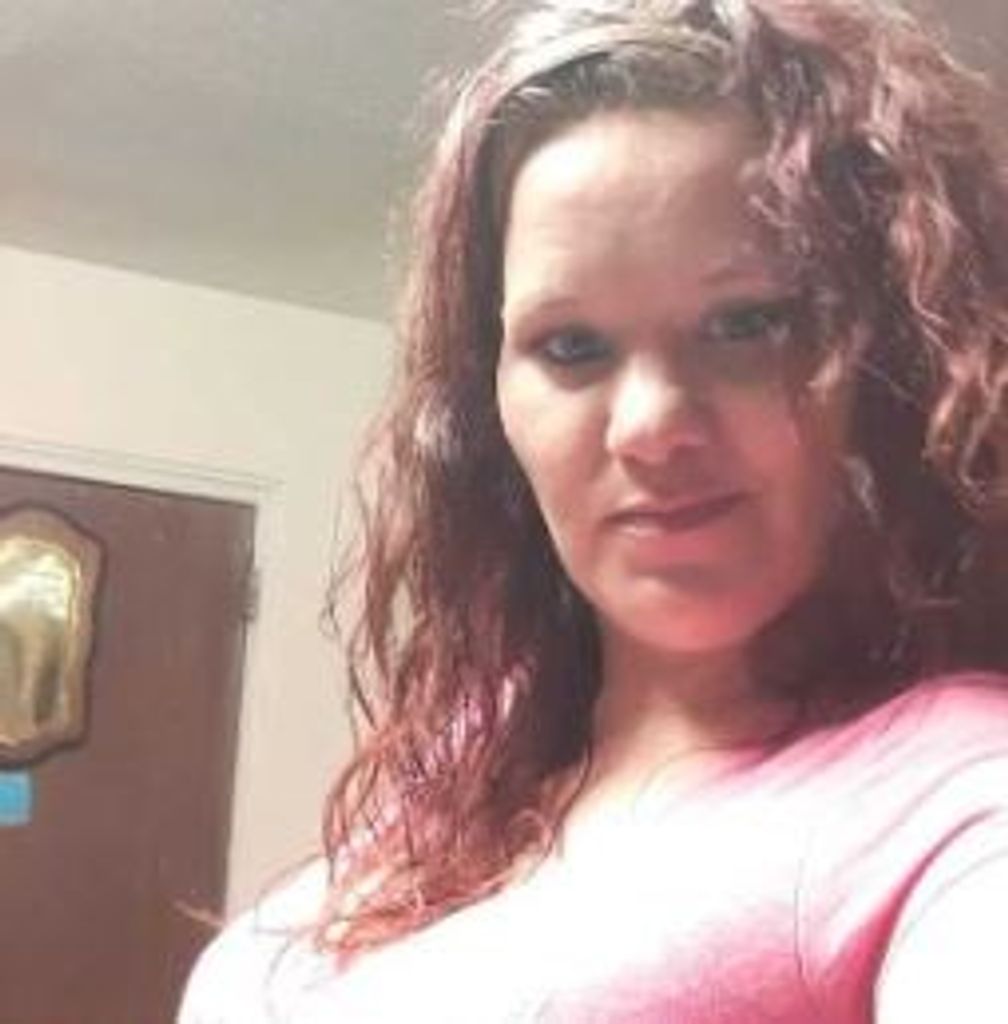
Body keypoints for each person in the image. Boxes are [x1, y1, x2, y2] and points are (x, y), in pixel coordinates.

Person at [179, 0, 1008, 1020]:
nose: (651, 426)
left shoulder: (954, 800)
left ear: (891, 369)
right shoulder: (467, 771)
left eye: (746, 325)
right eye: (572, 346)